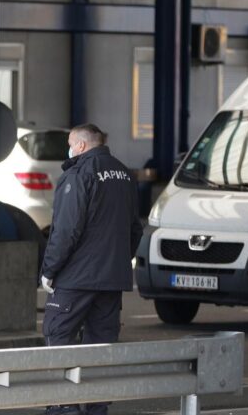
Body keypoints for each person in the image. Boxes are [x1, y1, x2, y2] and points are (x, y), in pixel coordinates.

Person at [40, 124, 143, 415]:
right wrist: (119, 261)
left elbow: (66, 229)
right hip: (111, 280)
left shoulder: (79, 174)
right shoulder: (125, 174)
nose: (69, 149)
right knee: (101, 346)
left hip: (76, 279)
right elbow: (135, 228)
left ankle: (65, 407)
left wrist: (49, 270)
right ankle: (97, 409)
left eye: (71, 143)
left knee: (58, 336)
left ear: (82, 145)